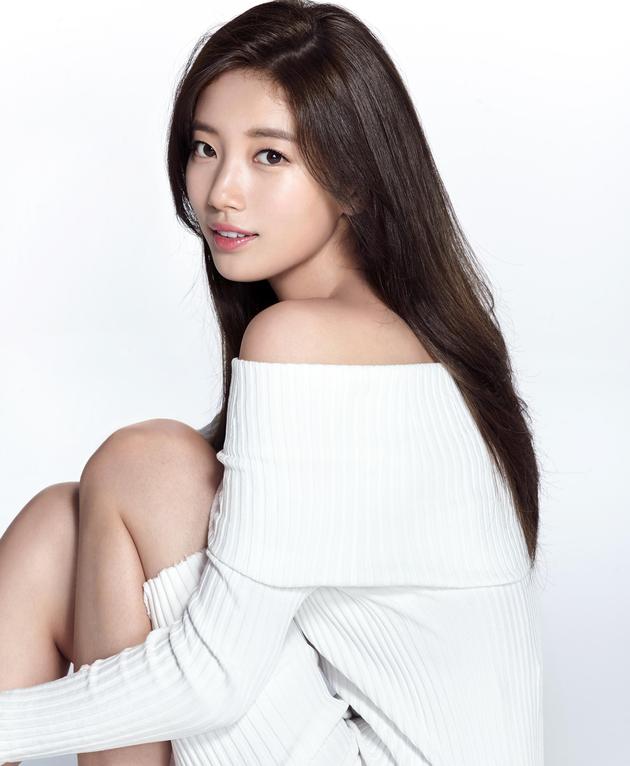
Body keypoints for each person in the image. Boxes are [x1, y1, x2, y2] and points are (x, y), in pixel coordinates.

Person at [0, 1, 544, 764]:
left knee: (141, 464)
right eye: (205, 148)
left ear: (355, 180)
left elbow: (215, 679)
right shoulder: (405, 337)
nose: (222, 190)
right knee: (58, 525)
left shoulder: (302, 338)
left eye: (269, 157)